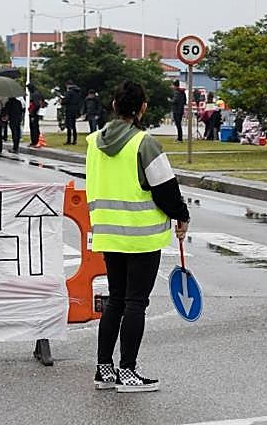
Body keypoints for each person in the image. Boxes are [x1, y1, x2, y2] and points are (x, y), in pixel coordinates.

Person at [86, 80, 190, 393]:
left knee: (115, 301)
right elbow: (166, 190)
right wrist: (182, 215)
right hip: (141, 237)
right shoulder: (145, 143)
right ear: (141, 108)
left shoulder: (93, 142)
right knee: (135, 303)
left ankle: (105, 370)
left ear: (114, 106)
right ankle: (128, 372)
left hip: (108, 234)